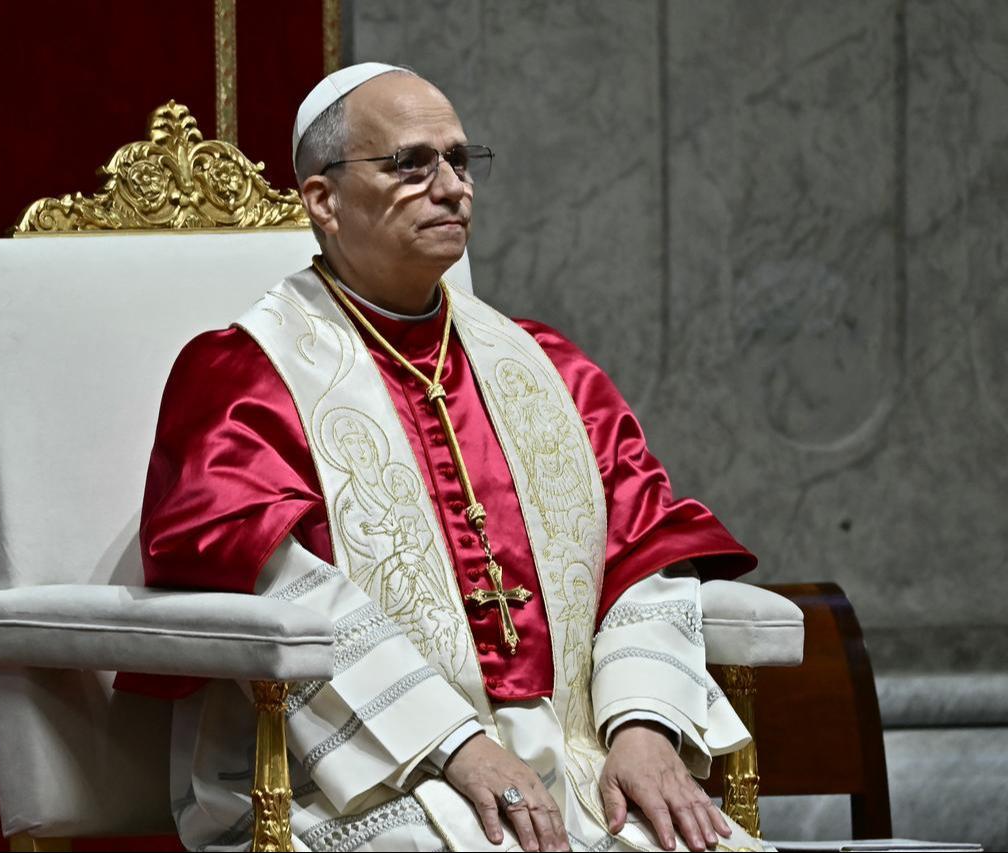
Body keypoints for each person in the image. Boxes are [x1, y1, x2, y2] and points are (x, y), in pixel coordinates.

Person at [117, 63, 768, 852]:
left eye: (461, 160)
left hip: (579, 751)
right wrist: (454, 740)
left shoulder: (547, 366)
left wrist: (643, 724)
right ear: (323, 202)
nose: (452, 186)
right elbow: (269, 587)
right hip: (357, 774)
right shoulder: (244, 377)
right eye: (410, 164)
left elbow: (644, 547)